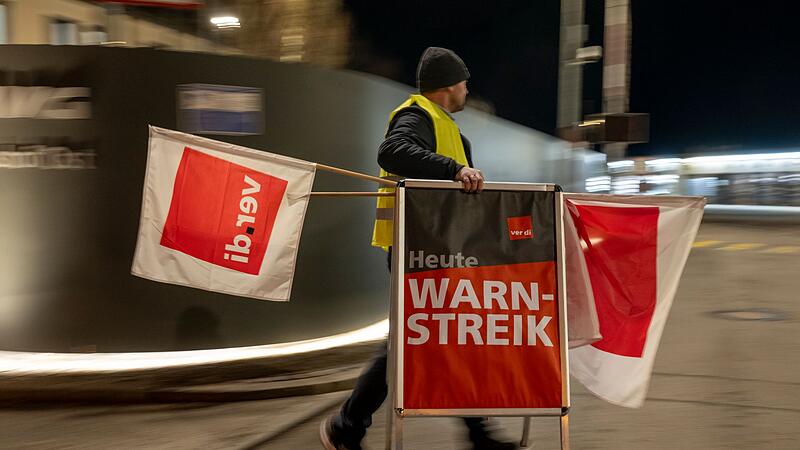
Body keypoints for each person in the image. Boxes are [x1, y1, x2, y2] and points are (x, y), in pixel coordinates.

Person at [320, 47, 517, 450]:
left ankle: (352, 427)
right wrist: (454, 169)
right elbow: (392, 151)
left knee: (447, 338)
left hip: (440, 250)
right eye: (463, 81)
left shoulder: (448, 128)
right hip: (418, 253)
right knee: (413, 343)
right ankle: (346, 427)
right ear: (447, 86)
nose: (466, 88)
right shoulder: (416, 116)